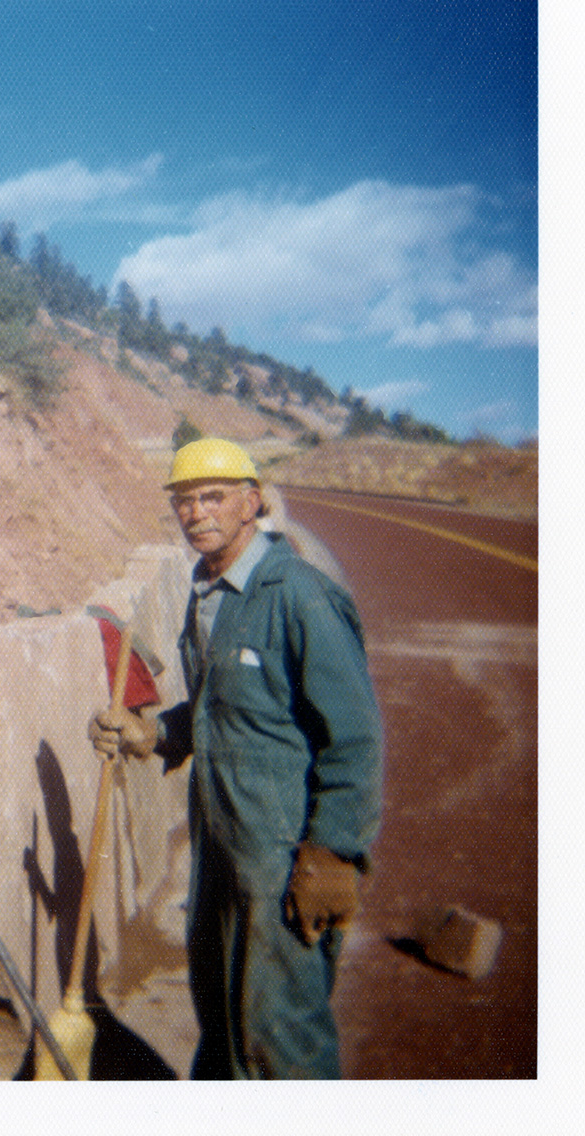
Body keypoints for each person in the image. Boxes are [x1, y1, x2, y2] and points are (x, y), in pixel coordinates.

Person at [89, 437, 382, 1079]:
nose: (197, 513)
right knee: (222, 1027)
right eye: (184, 501)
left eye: (213, 497)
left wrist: (334, 853)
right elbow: (218, 711)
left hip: (284, 863)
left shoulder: (298, 596)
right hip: (221, 853)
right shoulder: (210, 594)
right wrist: (152, 734)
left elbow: (355, 737)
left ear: (251, 501)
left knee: (281, 1039)